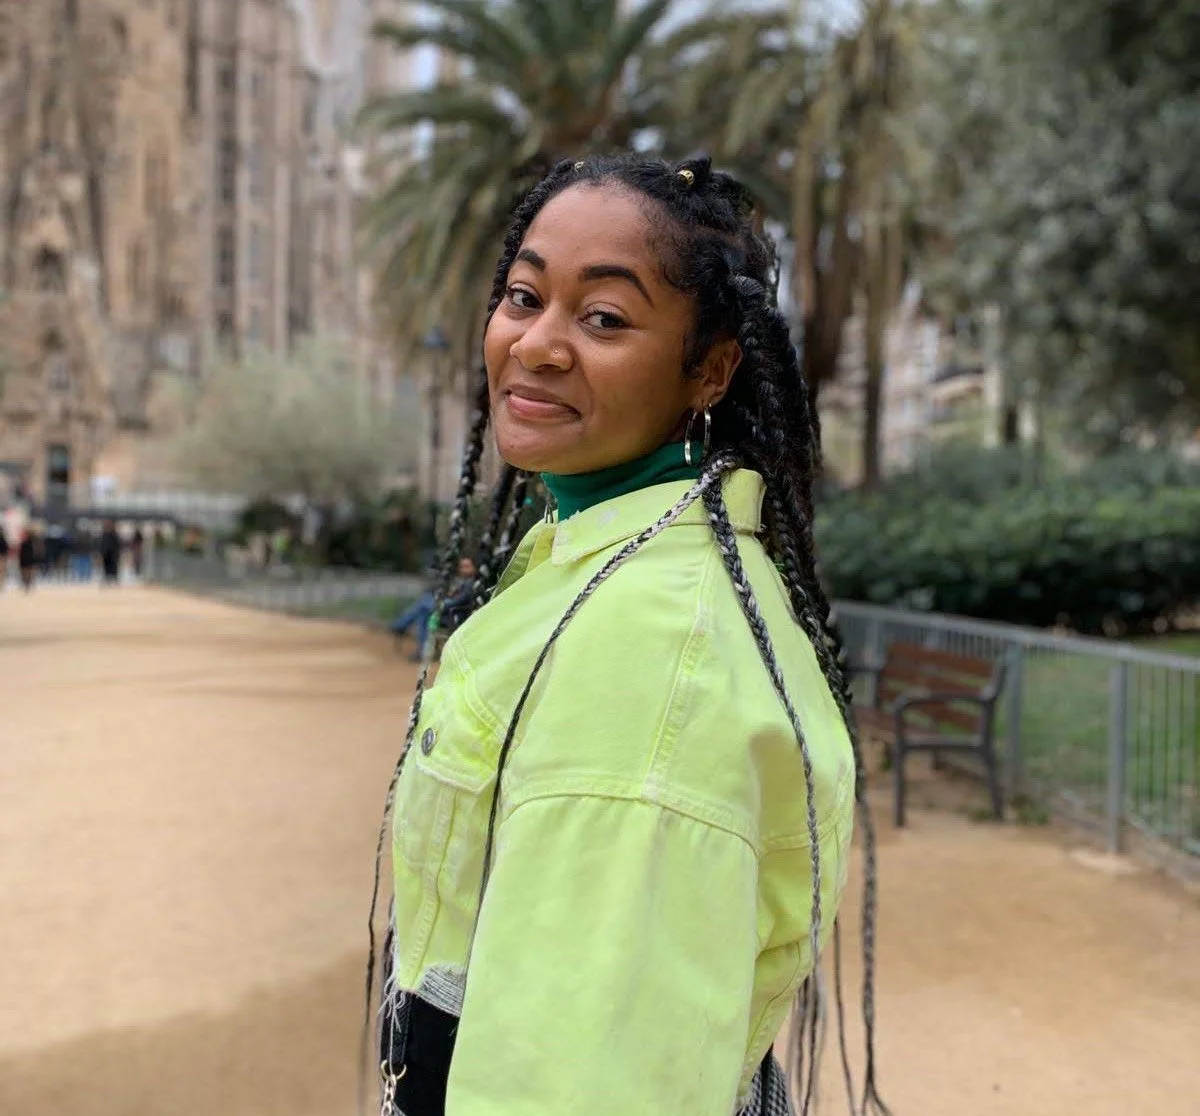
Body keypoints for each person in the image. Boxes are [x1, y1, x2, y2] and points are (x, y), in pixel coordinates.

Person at [370, 156, 885, 1116]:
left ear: (711, 368)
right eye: (524, 296)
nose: (538, 344)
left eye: (604, 318)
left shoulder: (652, 659)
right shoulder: (592, 560)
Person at [390, 556, 478, 662]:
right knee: (422, 614)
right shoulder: (463, 582)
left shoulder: (471, 583)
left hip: (454, 615)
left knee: (423, 603)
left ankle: (400, 626)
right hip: (448, 612)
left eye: (467, 566)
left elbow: (457, 601)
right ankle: (422, 651)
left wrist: (442, 602)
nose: (463, 569)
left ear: (475, 568)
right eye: (462, 567)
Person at [99, 520, 121, 585]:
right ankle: (107, 578)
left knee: (113, 567)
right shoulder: (104, 534)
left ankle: (114, 579)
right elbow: (102, 544)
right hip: (106, 554)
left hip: (112, 554)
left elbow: (117, 545)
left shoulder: (114, 534)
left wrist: (116, 553)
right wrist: (102, 552)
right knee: (106, 567)